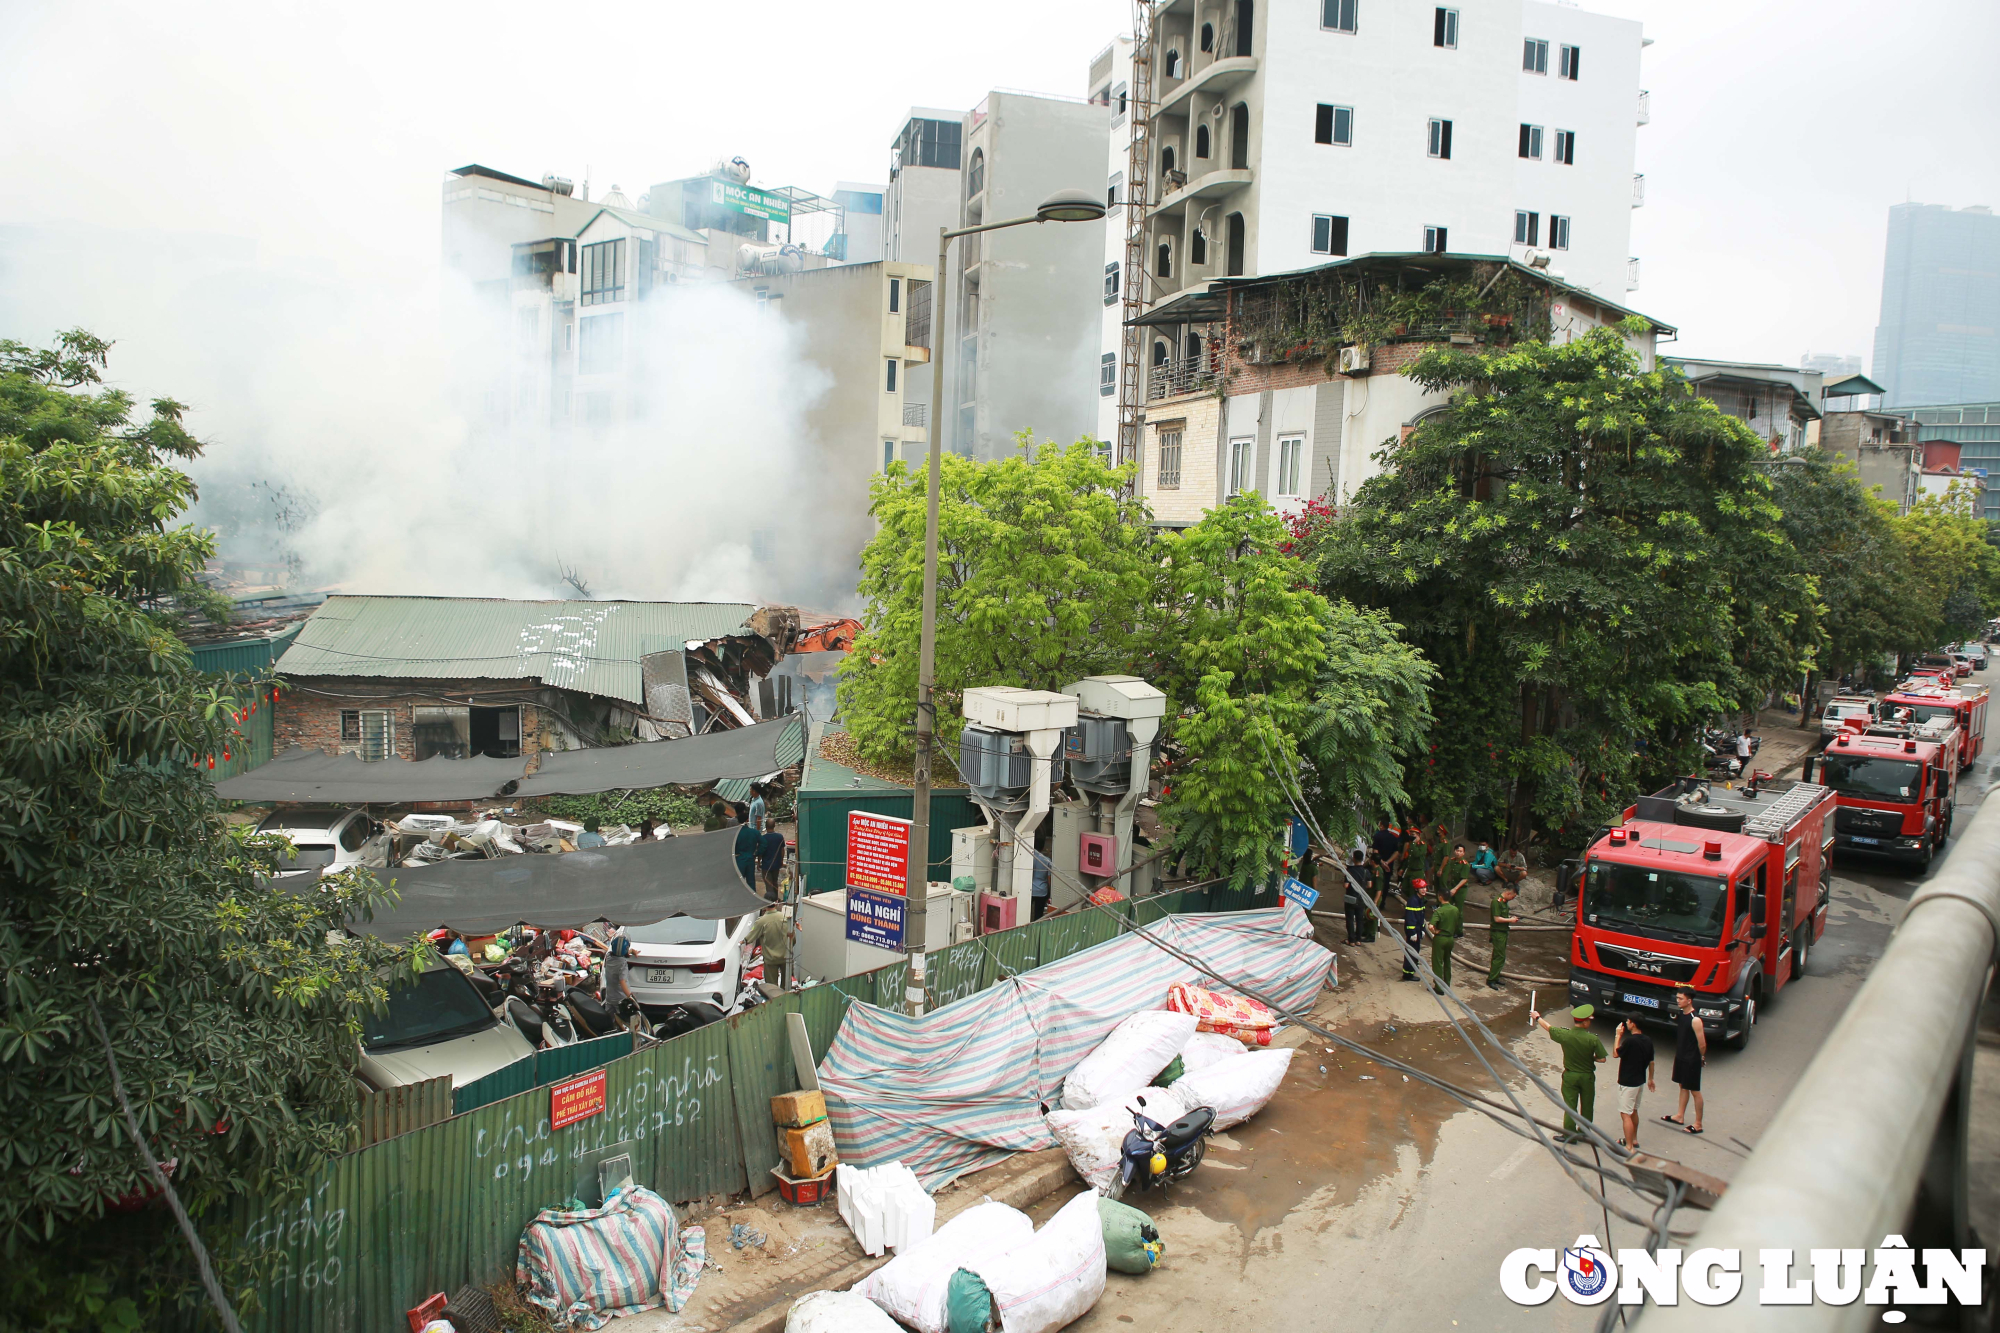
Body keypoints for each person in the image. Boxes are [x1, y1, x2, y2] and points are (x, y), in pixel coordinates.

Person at [1531, 1003, 1607, 1143]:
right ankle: (1585, 1133)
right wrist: (1592, 1058)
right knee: (1587, 1105)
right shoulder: (1593, 1039)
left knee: (1570, 1106)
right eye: (1589, 1020)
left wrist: (1537, 1017)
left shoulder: (1565, 1034)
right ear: (1584, 1022)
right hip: (1587, 1076)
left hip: (1570, 1076)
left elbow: (1548, 1027)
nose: (1589, 1022)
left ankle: (1569, 1136)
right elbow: (1602, 1059)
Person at [1664, 985, 1707, 1135]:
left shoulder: (1695, 1020)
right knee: (1682, 1086)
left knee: (1695, 1091)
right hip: (1681, 1057)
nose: (1678, 1001)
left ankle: (1698, 1123)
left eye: (1680, 999)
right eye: (1677, 998)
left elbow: (1702, 1043)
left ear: (1689, 1001)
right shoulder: (1682, 1015)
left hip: (1691, 1060)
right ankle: (1679, 1115)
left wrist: (1701, 1057)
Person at [1613, 1018, 1657, 1149]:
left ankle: (1629, 1146)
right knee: (1634, 1111)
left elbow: (1615, 1053)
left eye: (1628, 1021)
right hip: (1639, 1081)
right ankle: (1634, 1139)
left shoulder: (1630, 1041)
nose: (1626, 1023)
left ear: (1633, 1024)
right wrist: (1651, 1078)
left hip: (1627, 1082)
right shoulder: (1648, 1040)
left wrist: (1618, 1036)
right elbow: (1651, 1061)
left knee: (1625, 1114)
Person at [747, 903, 793, 989]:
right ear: (776, 903)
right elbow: (792, 938)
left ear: (765, 905)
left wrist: (743, 941)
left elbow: (751, 936)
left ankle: (776, 1000)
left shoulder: (762, 921)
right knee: (786, 986)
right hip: (786, 957)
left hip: (770, 959)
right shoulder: (785, 917)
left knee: (772, 987)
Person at [1426, 890, 1462, 991]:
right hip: (1450, 939)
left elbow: (1431, 926)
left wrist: (1435, 931)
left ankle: (1439, 987)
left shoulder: (1439, 911)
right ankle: (1447, 984)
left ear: (1440, 897)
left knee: (1437, 962)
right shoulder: (1455, 909)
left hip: (1440, 938)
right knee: (1447, 961)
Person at [1487, 884, 1520, 989]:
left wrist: (1510, 918)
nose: (1513, 898)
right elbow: (1497, 918)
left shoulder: (1504, 902)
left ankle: (1495, 976)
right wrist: (1510, 920)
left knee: (1498, 956)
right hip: (1498, 932)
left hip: (1503, 931)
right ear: (1509, 893)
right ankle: (1491, 979)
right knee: (1500, 956)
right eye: (1513, 896)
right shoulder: (1497, 902)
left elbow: (1502, 916)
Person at [1399, 879, 1432, 982]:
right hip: (1412, 931)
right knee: (1411, 951)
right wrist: (1412, 933)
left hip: (1417, 930)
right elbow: (1410, 918)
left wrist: (1422, 929)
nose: (1424, 890)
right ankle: (1407, 974)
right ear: (1416, 889)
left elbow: (1421, 917)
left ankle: (1413, 967)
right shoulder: (1413, 901)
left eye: (1424, 887)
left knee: (1416, 950)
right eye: (1421, 888)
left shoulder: (1421, 899)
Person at [598, 922, 635, 1006]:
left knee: (609, 1016)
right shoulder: (622, 964)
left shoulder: (609, 956)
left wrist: (631, 951)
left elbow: (621, 952)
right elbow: (622, 981)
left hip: (610, 998)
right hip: (620, 1000)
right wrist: (630, 996)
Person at [1343, 848, 1371, 943]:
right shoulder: (1366, 872)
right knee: (1360, 919)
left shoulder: (1350, 871)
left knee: (1350, 919)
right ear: (1362, 859)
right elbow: (1369, 885)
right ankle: (1358, 940)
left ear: (1354, 859)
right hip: (1362, 899)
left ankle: (1351, 940)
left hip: (1351, 898)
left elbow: (1346, 885)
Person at [757, 819, 787, 901]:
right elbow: (782, 850)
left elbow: (760, 852)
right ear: (774, 826)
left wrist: (759, 862)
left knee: (768, 883)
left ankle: (770, 901)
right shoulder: (779, 837)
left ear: (766, 827)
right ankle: (776, 899)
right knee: (775, 882)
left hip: (766, 865)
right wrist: (781, 861)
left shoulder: (763, 838)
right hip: (776, 864)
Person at [1438, 842, 1472, 909]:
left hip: (1461, 889)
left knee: (1458, 909)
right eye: (1457, 850)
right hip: (1452, 885)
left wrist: (1455, 889)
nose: (1458, 853)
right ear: (1454, 851)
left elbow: (1464, 879)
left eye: (1460, 851)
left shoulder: (1465, 865)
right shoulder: (1452, 861)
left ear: (1463, 853)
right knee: (1447, 905)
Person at [733, 816, 760, 889]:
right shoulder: (755, 832)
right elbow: (764, 844)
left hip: (739, 859)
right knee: (751, 881)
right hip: (751, 858)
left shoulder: (735, 834)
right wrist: (756, 853)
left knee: (739, 882)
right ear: (747, 820)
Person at [1030, 845, 1053, 920]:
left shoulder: (1031, 858)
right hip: (1042, 891)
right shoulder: (1047, 860)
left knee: (1026, 912)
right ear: (1043, 847)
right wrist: (1050, 892)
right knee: (1038, 914)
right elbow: (1049, 878)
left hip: (1030, 890)